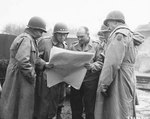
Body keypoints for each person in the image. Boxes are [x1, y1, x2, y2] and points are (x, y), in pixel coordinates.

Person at [0, 16, 53, 119]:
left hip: (21, 77)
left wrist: (45, 64)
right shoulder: (25, 39)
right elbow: (23, 61)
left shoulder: (31, 40)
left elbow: (34, 59)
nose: (42, 34)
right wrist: (32, 75)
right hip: (19, 78)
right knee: (17, 106)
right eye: (40, 31)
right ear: (33, 29)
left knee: (20, 105)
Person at [95, 10, 144, 119]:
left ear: (115, 22)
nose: (108, 27)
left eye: (109, 24)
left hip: (119, 76)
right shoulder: (130, 34)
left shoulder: (119, 35)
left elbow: (111, 63)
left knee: (116, 110)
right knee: (125, 107)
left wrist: (104, 84)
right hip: (128, 75)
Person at [34, 23, 69, 119]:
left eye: (65, 34)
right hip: (46, 80)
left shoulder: (65, 45)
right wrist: (45, 64)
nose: (63, 37)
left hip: (60, 79)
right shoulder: (44, 42)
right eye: (60, 34)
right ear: (55, 34)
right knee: (44, 104)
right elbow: (35, 58)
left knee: (59, 101)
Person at [70, 26, 104, 119]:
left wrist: (92, 66)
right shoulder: (73, 46)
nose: (79, 39)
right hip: (76, 80)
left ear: (88, 35)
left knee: (90, 106)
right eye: (78, 37)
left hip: (90, 80)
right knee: (75, 105)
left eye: (81, 36)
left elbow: (101, 62)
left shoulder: (97, 45)